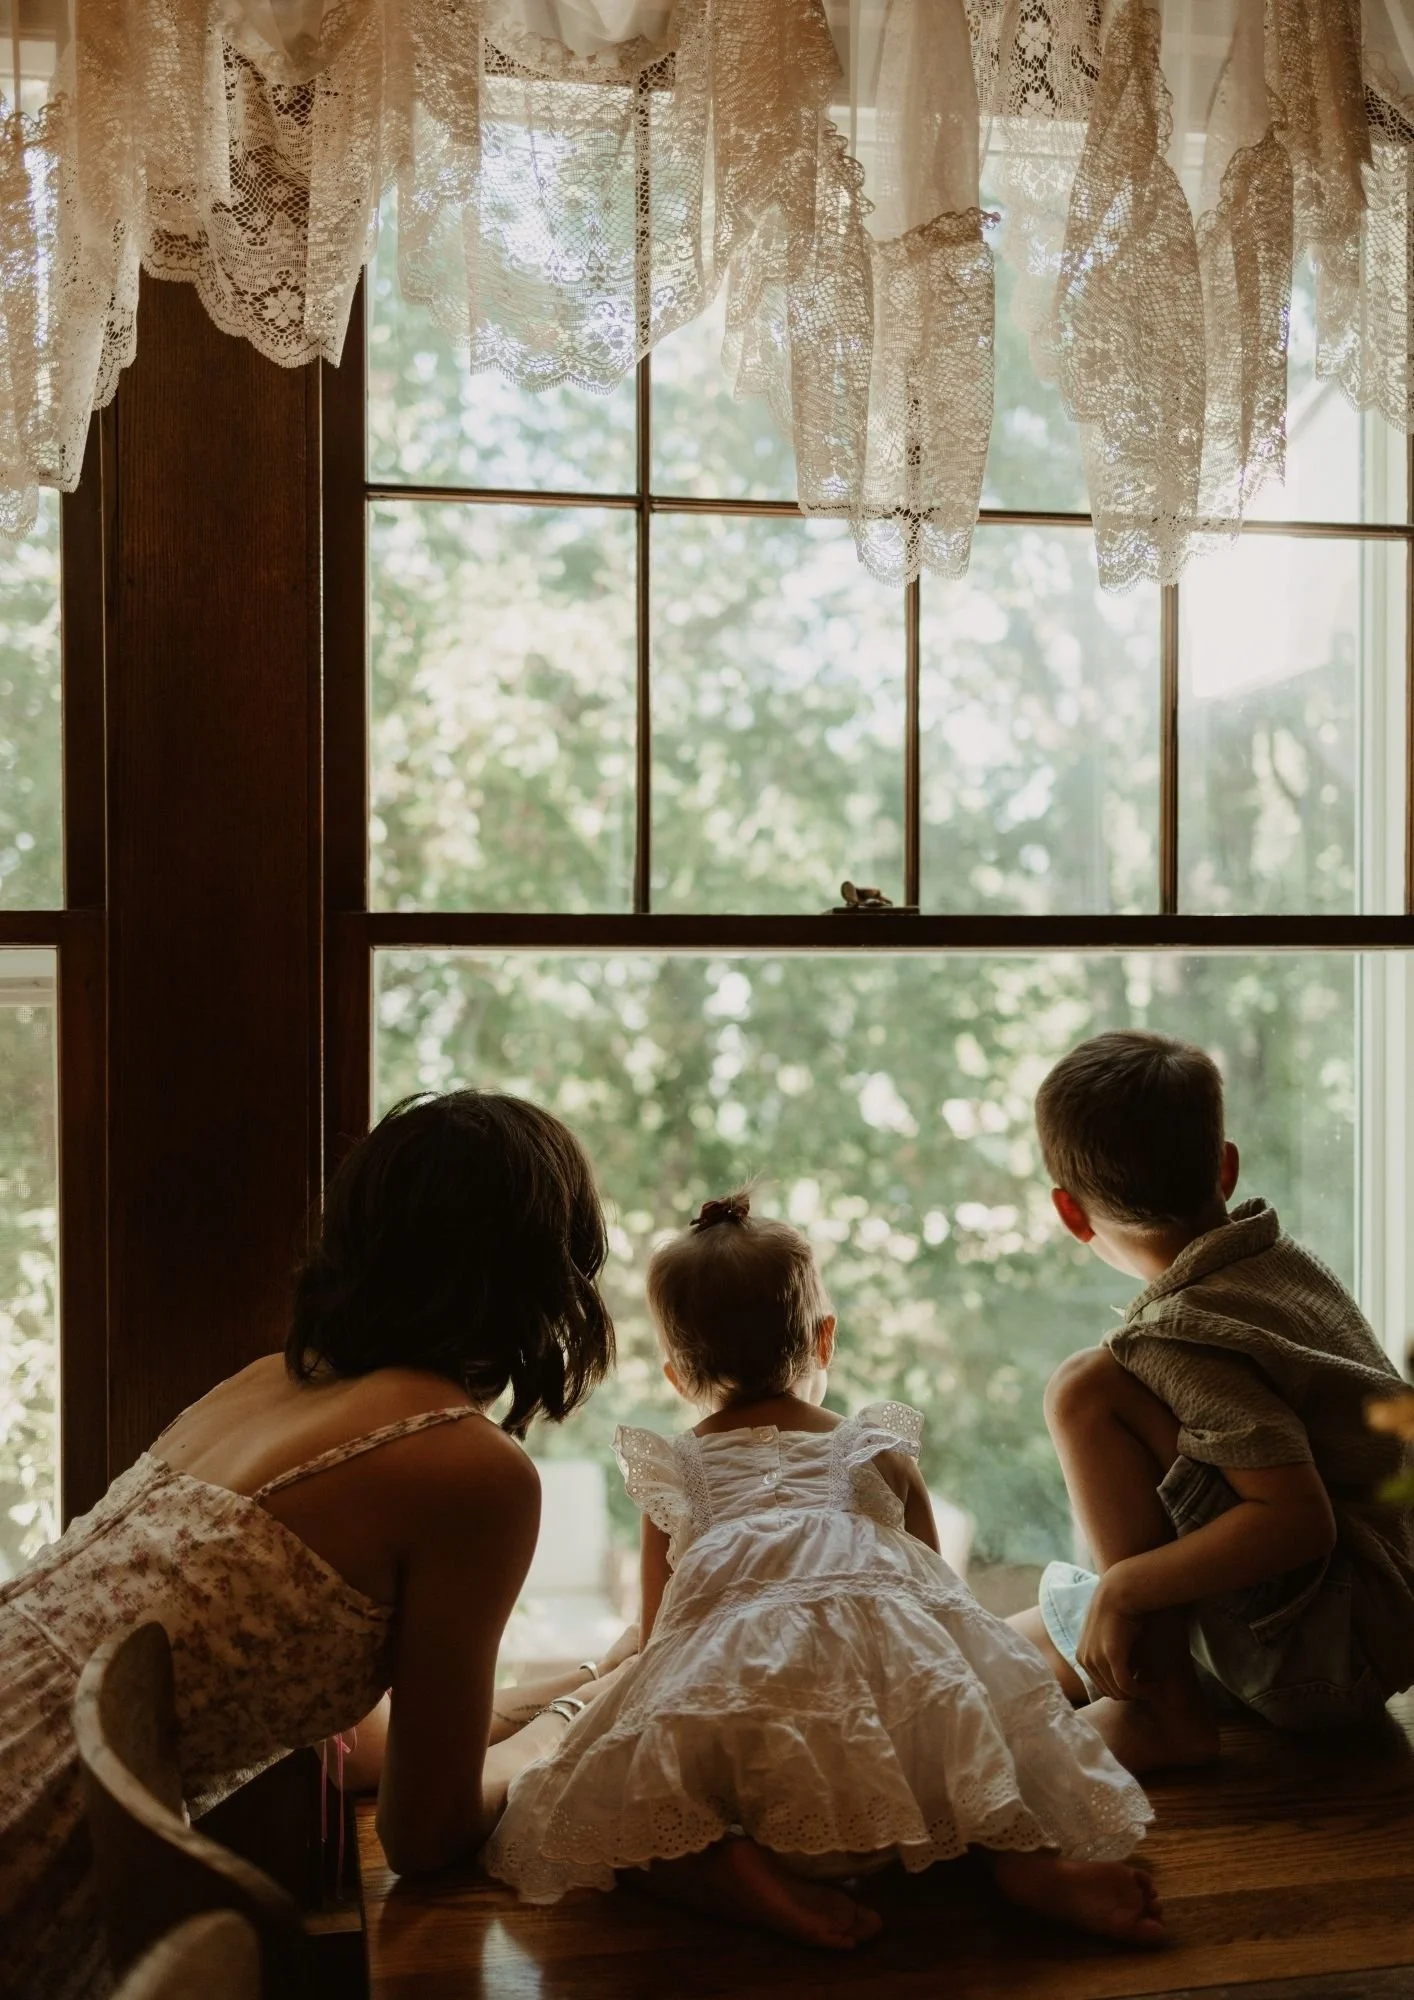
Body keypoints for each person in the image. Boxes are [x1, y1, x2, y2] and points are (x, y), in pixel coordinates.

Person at [0, 1090, 620, 2000]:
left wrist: (589, 1679)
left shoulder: (269, 1383)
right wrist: (570, 1730)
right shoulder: (467, 1466)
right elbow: (427, 1833)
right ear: (544, 1274)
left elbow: (361, 1744)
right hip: (33, 1818)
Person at [483, 1192, 1161, 1953]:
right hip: (899, 1780)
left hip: (763, 1784)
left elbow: (659, 1642)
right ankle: (1025, 1862)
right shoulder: (873, 1448)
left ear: (677, 1377)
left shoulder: (677, 1472)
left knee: (602, 1819)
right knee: (974, 1712)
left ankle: (733, 1869)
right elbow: (950, 1610)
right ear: (825, 1340)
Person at [1013, 1030, 1414, 1777]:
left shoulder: (1185, 1333)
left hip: (1327, 1654)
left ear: (1070, 1214)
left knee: (1084, 1389)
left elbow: (1298, 1521)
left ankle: (1160, 1713)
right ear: (1225, 1167)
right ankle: (1110, 1654)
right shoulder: (1274, 1264)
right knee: (996, 1654)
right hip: (1366, 1624)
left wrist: (1130, 1586)